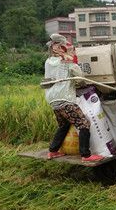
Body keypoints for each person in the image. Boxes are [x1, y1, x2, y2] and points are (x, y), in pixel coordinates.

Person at [43, 34, 104, 162]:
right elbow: (79, 76)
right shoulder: (66, 60)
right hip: (65, 99)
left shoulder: (48, 62)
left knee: (64, 125)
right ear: (57, 47)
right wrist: (72, 58)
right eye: (64, 45)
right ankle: (86, 155)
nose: (66, 47)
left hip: (53, 99)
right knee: (83, 123)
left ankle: (53, 151)